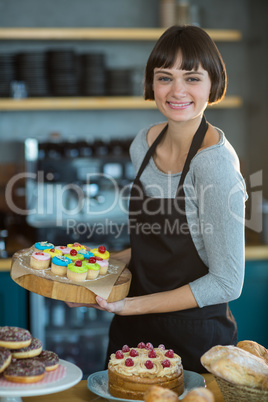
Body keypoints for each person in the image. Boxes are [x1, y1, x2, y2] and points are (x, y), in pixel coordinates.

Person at [68, 25, 247, 373]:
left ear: (214, 83)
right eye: (165, 77)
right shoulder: (144, 144)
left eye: (192, 78)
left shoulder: (215, 165)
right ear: (152, 84)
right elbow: (158, 248)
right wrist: (91, 273)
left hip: (195, 342)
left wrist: (130, 305)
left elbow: (228, 281)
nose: (177, 90)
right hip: (131, 334)